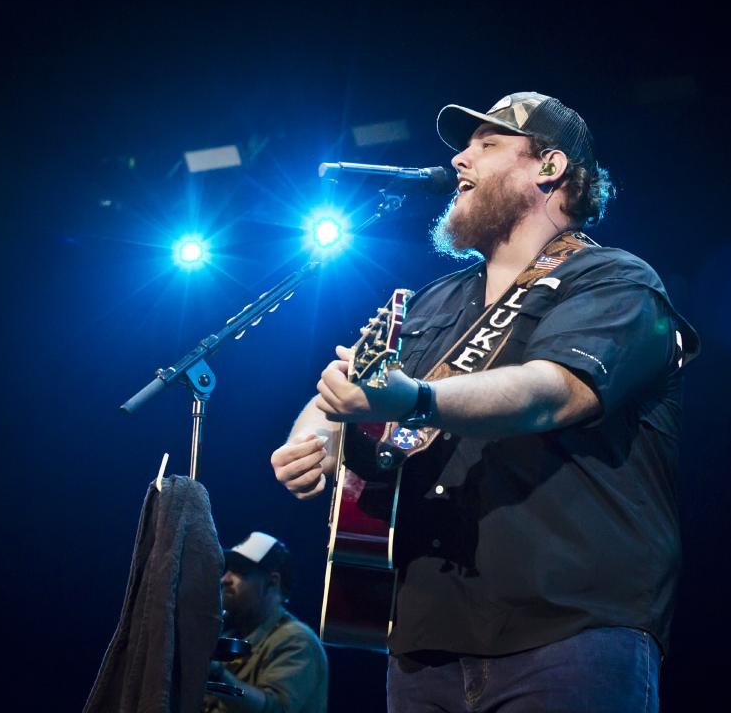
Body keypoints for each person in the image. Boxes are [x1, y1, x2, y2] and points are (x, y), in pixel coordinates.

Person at [270, 91, 700, 713]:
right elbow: (342, 386)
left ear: (549, 167)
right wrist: (316, 438)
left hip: (568, 629)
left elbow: (554, 391)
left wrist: (416, 398)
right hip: (423, 642)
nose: (459, 160)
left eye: (487, 144)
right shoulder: (427, 303)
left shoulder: (614, 280)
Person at [204, 532, 328, 713]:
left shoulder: (297, 640)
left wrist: (217, 676)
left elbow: (275, 708)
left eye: (240, 570)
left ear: (272, 582)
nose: (225, 579)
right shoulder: (230, 636)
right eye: (227, 569)